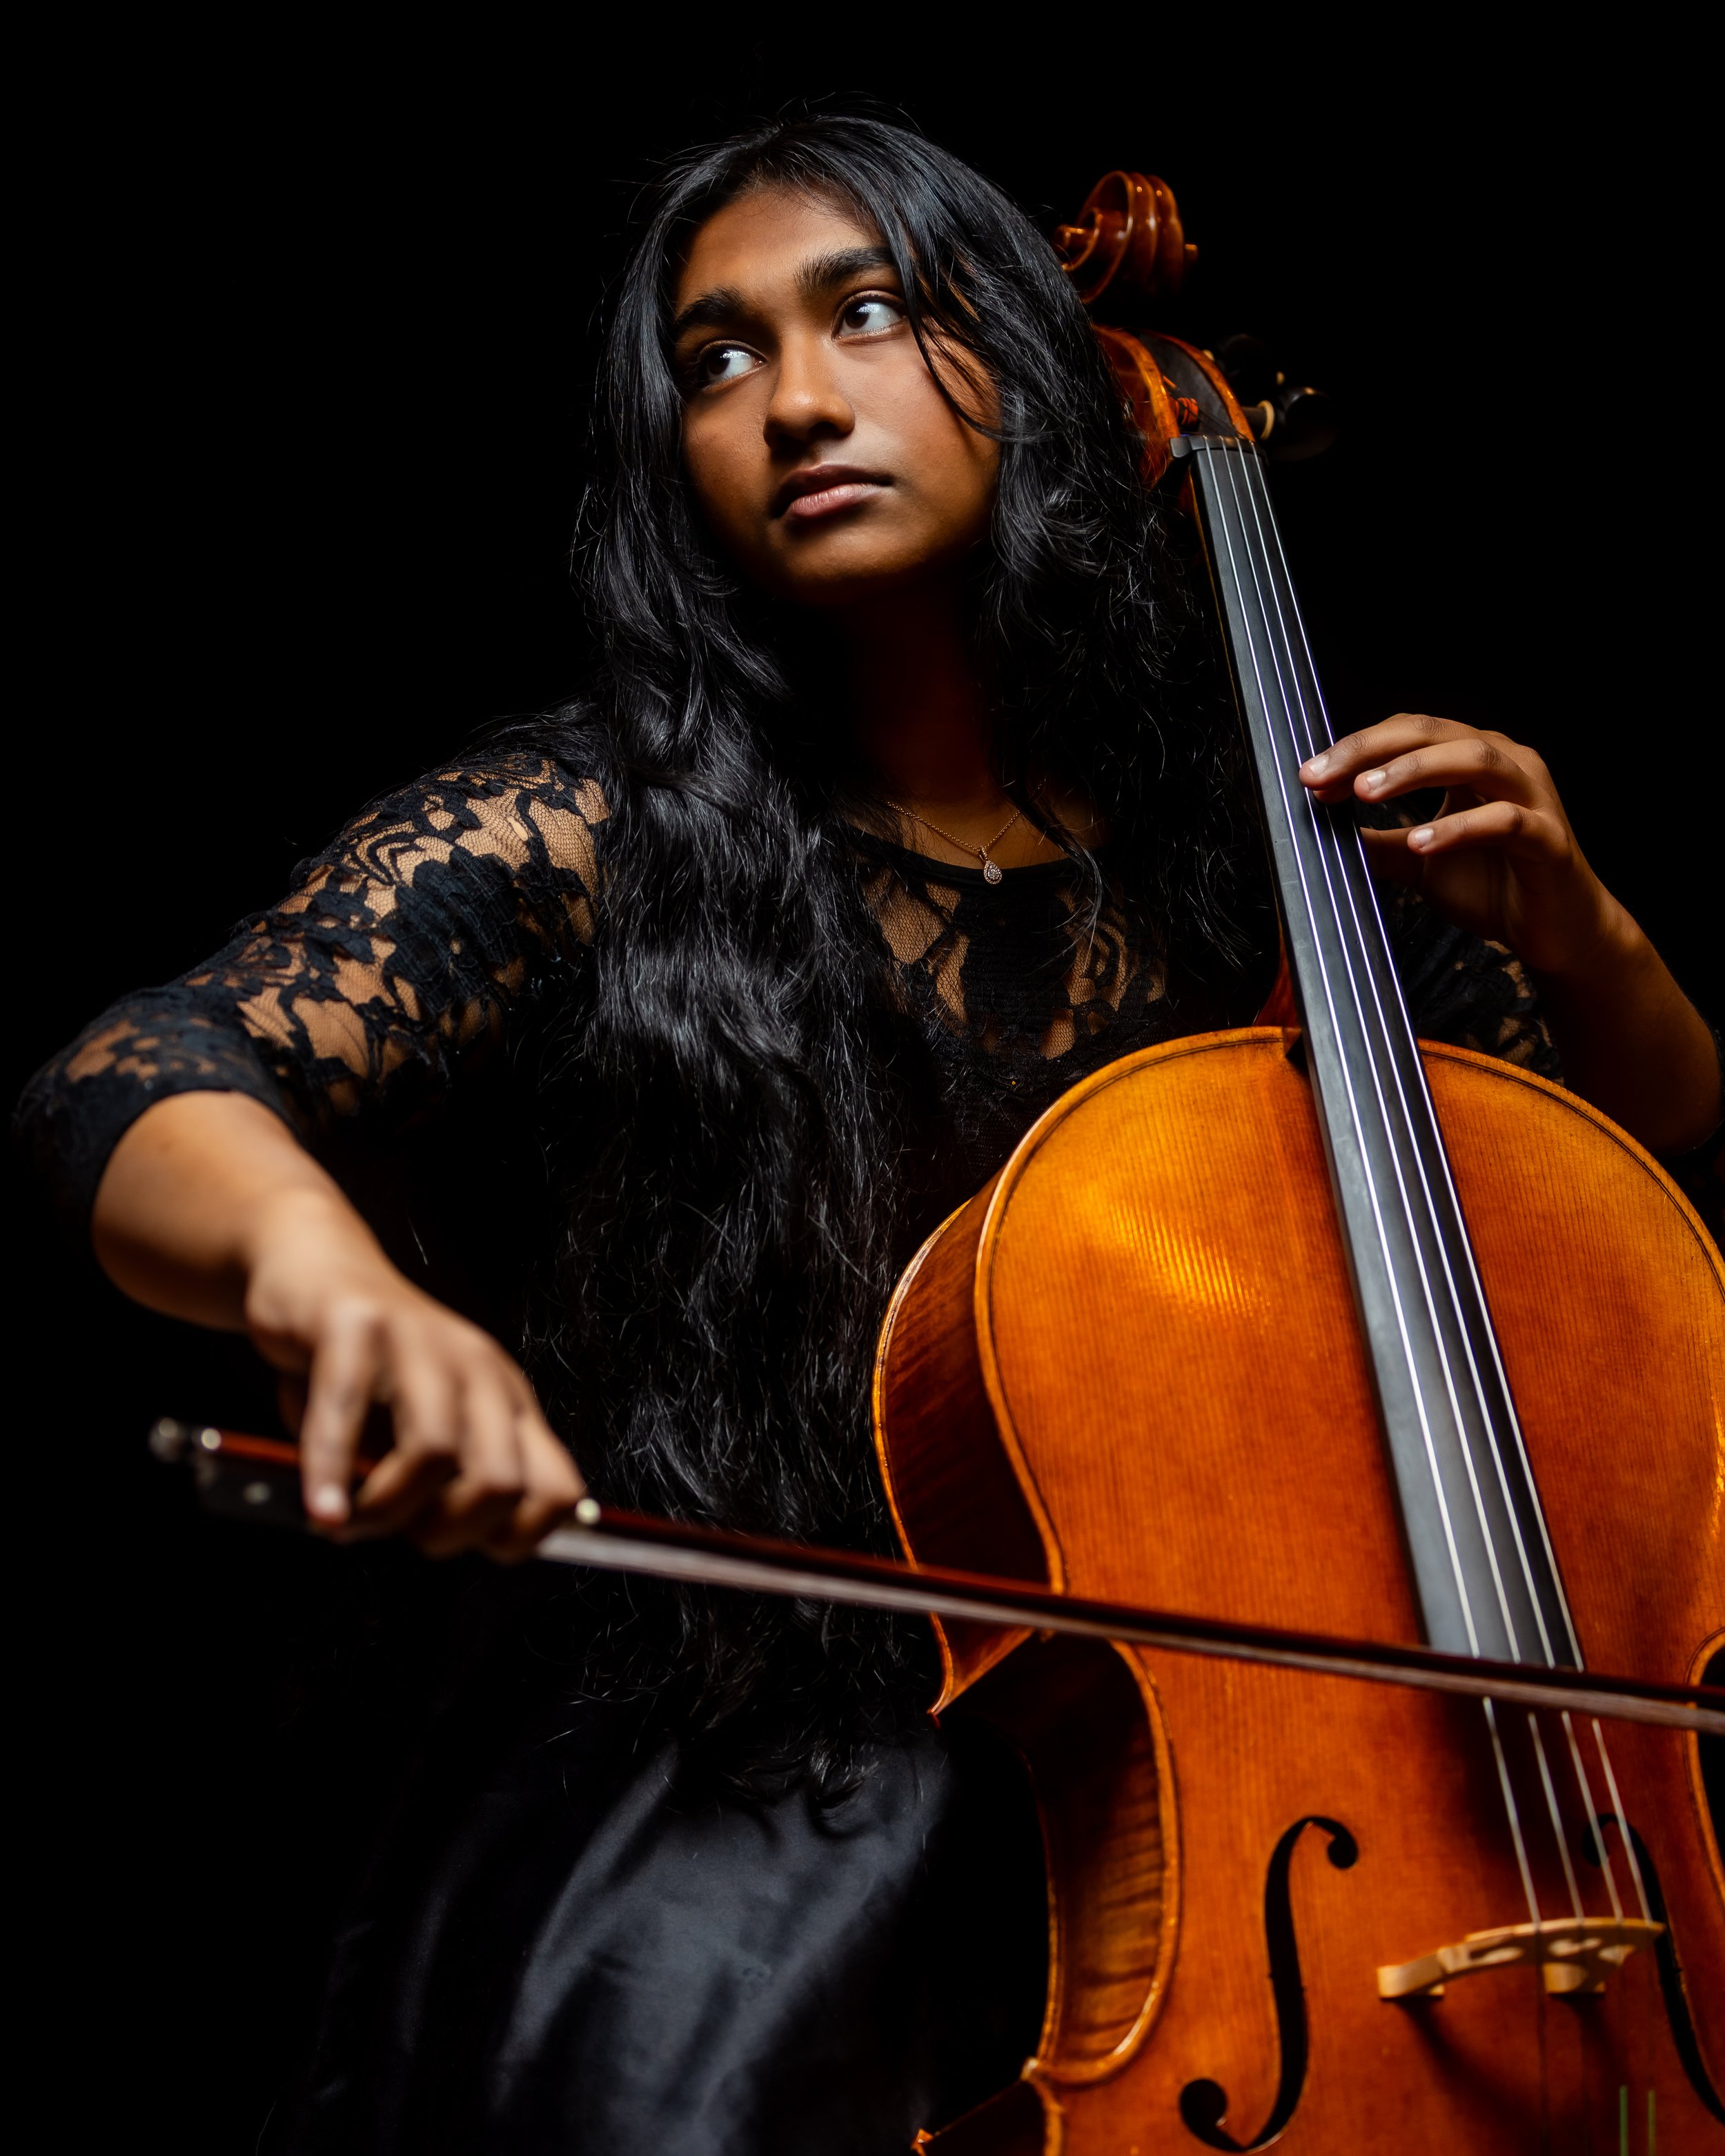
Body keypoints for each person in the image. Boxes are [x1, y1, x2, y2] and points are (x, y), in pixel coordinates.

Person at [17, 115, 1722, 2155]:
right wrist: (323, 1279)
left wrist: (1586, 930)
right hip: (757, 1782)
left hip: (1266, 1788)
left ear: (1036, 367)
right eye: (716, 358)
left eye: (871, 314)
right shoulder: (598, 822)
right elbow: (137, 1072)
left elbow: (1612, 1183)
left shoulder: (1264, 863)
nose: (794, 403)